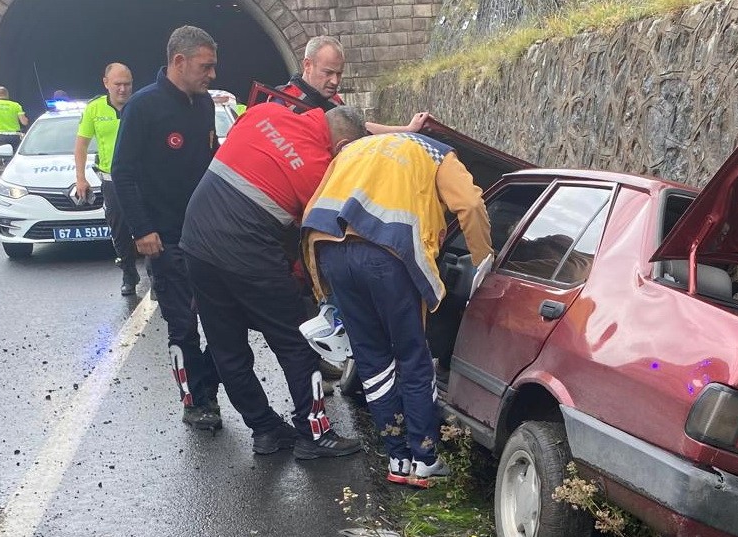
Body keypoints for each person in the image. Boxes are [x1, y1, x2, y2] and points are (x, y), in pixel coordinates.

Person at [301, 132, 492, 486]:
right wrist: (483, 263)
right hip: (388, 255)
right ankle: (425, 459)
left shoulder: (355, 148)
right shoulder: (439, 154)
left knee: (372, 360)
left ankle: (397, 458)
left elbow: (317, 202)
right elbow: (471, 205)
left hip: (329, 248)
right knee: (412, 357)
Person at [179, 101, 368, 459]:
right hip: (247, 251)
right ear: (343, 147)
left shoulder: (264, 113)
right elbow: (314, 239)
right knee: (296, 342)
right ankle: (315, 436)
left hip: (196, 240)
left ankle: (265, 431)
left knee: (227, 347)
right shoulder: (320, 170)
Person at [112, 25, 222, 431]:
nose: (212, 74)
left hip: (207, 234)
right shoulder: (144, 107)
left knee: (226, 318)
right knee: (183, 325)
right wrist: (142, 229)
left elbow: (210, 163)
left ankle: (207, 383)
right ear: (179, 61)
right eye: (205, 66)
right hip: (165, 236)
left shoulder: (205, 104)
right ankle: (195, 401)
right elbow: (123, 174)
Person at [278, 35, 429, 135]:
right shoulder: (282, 101)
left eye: (339, 73)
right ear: (308, 65)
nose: (335, 81)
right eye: (328, 73)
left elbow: (359, 127)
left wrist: (408, 130)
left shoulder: (333, 100)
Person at [74, 63, 139, 296]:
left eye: (127, 84)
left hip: (141, 178)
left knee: (150, 225)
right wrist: (80, 178)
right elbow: (81, 144)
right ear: (105, 83)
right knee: (119, 229)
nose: (123, 89)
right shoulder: (94, 109)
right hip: (112, 180)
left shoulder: (140, 104)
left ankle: (156, 274)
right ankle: (129, 273)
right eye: (117, 84)